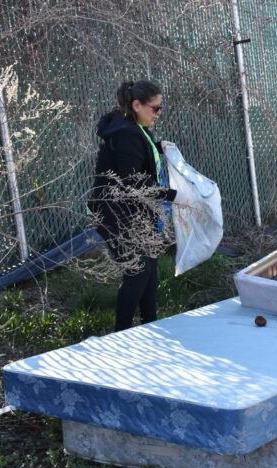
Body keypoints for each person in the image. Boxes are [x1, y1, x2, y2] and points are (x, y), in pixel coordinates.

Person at [89, 80, 180, 332]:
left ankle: (150, 327)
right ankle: (122, 334)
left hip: (135, 212)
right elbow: (132, 182)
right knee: (137, 271)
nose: (158, 113)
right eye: (155, 108)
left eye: (160, 108)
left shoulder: (133, 127)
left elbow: (137, 158)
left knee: (149, 269)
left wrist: (158, 148)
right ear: (136, 105)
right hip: (116, 214)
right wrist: (172, 195)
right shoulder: (126, 133)